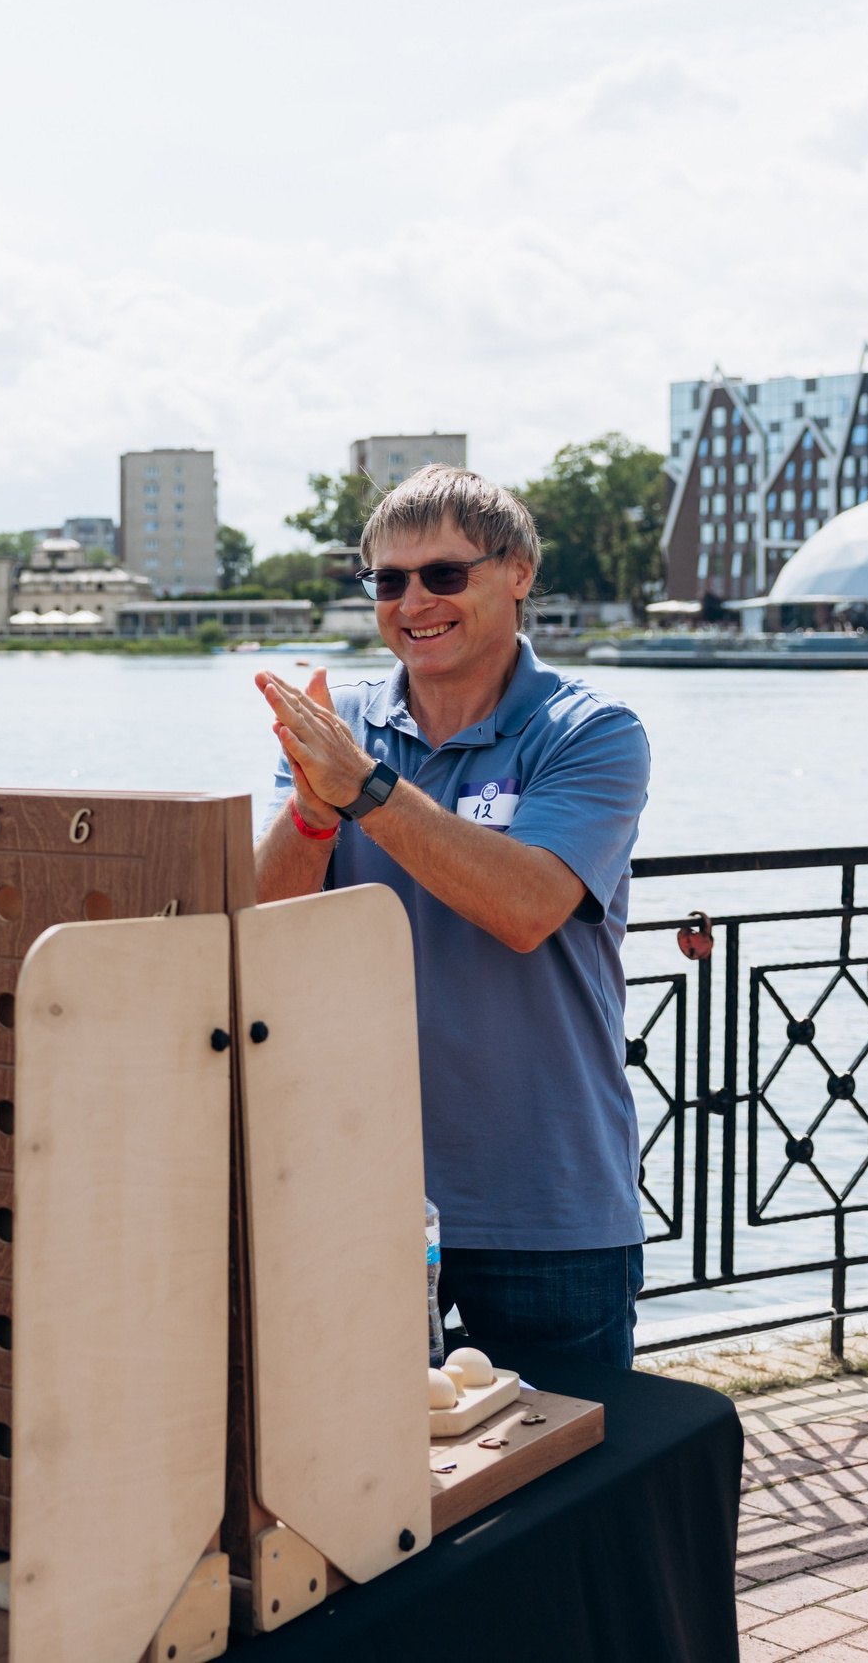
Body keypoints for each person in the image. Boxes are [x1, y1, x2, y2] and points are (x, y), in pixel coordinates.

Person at [253, 465, 651, 1369]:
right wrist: (316, 809)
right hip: (358, 1193)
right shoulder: (340, 721)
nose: (412, 602)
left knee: (565, 1488)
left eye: (443, 574)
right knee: (362, 1491)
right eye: (386, 581)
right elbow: (262, 920)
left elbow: (523, 908)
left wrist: (363, 788)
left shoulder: (591, 730)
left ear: (517, 571)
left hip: (548, 1203)